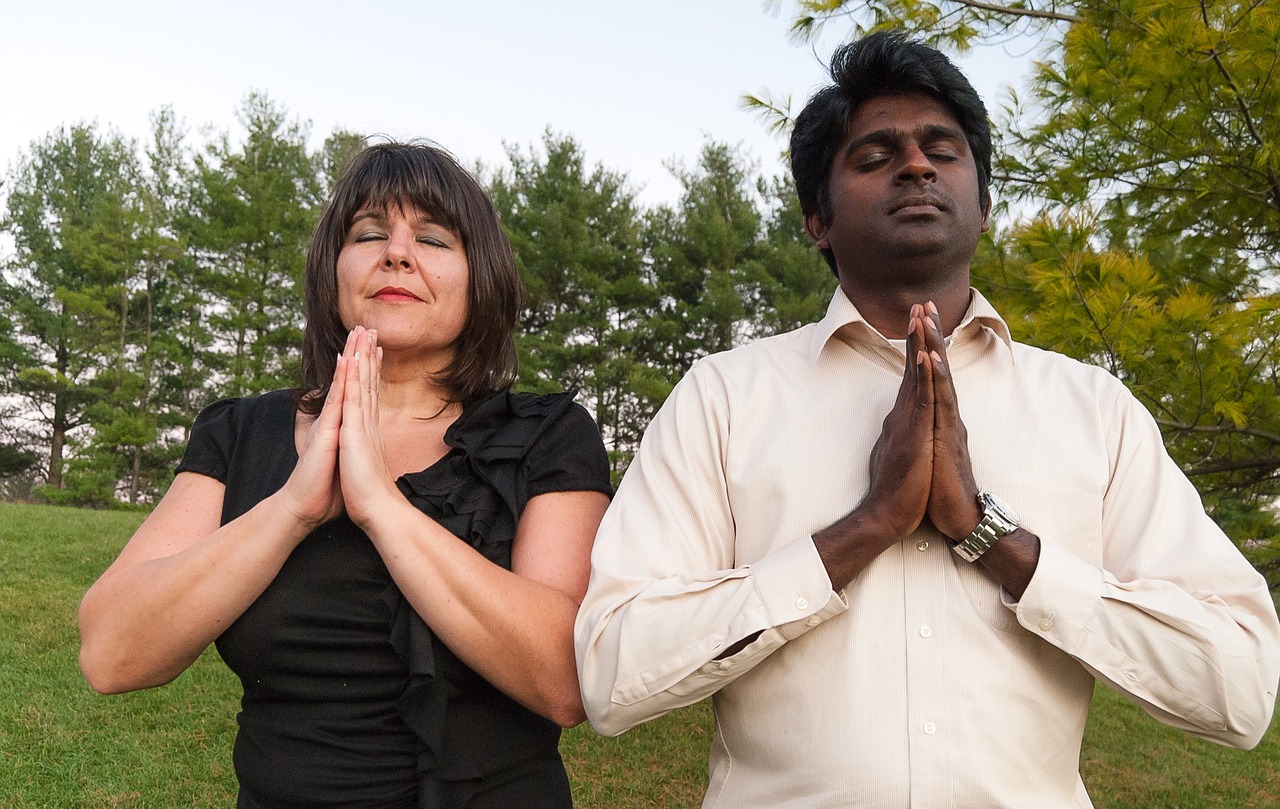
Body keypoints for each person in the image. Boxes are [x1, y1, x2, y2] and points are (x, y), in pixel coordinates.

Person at [574, 31, 1280, 808]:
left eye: (942, 150)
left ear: (984, 206)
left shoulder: (1093, 408)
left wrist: (993, 537)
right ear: (817, 219)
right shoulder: (724, 397)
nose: (915, 164)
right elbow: (612, 672)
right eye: (874, 156)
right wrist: (864, 528)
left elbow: (1239, 690)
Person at [79, 141, 613, 808]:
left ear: (482, 278)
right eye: (368, 233)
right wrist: (292, 509)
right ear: (333, 273)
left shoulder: (548, 435)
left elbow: (567, 678)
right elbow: (111, 653)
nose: (396, 251)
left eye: (433, 238)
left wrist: (382, 508)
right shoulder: (243, 433)